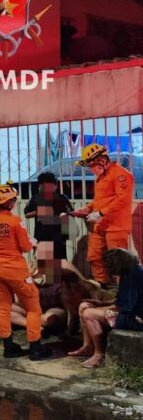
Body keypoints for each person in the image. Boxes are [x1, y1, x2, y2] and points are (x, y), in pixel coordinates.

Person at [0, 183, 52, 360]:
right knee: (33, 308)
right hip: (15, 269)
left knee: (3, 308)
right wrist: (32, 242)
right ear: (10, 202)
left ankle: (9, 347)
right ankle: (35, 348)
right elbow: (26, 247)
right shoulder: (14, 221)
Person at [70, 144, 134, 287]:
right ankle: (102, 288)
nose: (90, 168)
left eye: (91, 164)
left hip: (116, 226)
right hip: (99, 225)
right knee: (94, 257)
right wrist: (87, 208)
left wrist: (100, 213)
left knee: (118, 262)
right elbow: (100, 200)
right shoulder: (100, 176)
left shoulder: (121, 174)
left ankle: (122, 293)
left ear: (101, 159)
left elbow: (122, 199)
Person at [70, 249, 143, 368]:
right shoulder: (130, 272)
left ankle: (99, 354)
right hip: (132, 313)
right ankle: (87, 346)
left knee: (89, 313)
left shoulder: (133, 276)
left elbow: (123, 307)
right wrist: (100, 304)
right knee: (83, 306)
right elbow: (121, 299)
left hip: (136, 319)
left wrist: (100, 308)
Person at [24, 171, 73, 287]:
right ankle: (47, 288)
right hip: (42, 236)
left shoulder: (62, 198)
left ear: (55, 186)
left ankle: (60, 287)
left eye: (51, 185)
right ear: (41, 186)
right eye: (45, 185)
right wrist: (39, 212)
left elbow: (70, 212)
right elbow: (26, 213)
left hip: (59, 237)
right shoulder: (36, 198)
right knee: (45, 267)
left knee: (59, 264)